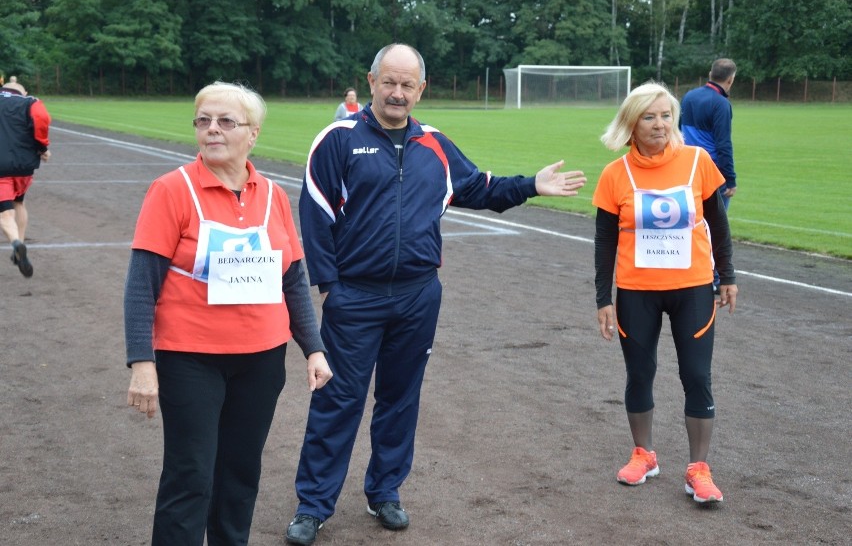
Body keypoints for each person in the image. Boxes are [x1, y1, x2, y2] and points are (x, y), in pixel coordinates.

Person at [285, 43, 587, 545]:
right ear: (372, 80)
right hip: (354, 298)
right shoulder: (338, 140)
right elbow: (315, 215)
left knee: (400, 399)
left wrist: (531, 184)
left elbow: (481, 187)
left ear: (421, 90)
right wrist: (331, 288)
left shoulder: (436, 146)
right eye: (389, 82)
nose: (398, 92)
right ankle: (313, 505)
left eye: (408, 85)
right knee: (339, 399)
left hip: (418, 296)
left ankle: (385, 492)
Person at [124, 81, 333, 545]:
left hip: (260, 360)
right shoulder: (171, 190)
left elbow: (293, 278)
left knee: (239, 475)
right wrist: (142, 363)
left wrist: (313, 349)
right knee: (190, 475)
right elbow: (142, 283)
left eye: (225, 121)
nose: (212, 130)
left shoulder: (273, 195)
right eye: (204, 120)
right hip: (190, 358)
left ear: (252, 134)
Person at [593, 81, 738, 505]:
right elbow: (604, 241)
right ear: (631, 124)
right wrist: (604, 297)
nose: (660, 124)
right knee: (639, 374)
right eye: (649, 117)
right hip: (637, 291)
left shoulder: (698, 162)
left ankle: (698, 468)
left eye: (666, 115)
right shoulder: (615, 174)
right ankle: (644, 454)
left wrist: (726, 275)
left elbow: (718, 224)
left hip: (693, 288)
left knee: (696, 376)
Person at [0, 77, 51, 278]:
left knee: (5, 214)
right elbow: (42, 121)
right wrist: (42, 148)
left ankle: (17, 243)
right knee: (19, 202)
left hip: (1, 169)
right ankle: (19, 247)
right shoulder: (31, 102)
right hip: (24, 167)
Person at [680, 59, 737, 210]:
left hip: (687, 167)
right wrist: (730, 179)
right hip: (711, 170)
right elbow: (723, 144)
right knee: (717, 225)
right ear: (731, 79)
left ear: (710, 74)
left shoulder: (689, 96)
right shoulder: (721, 104)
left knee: (694, 219)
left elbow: (677, 131)